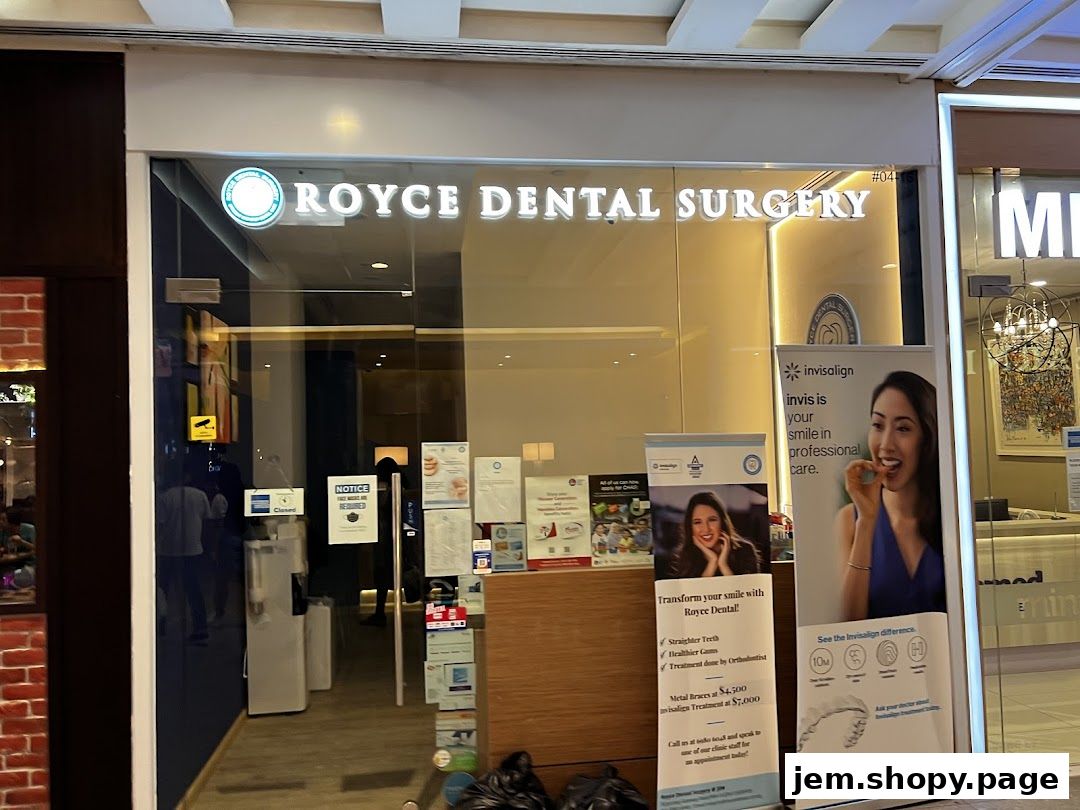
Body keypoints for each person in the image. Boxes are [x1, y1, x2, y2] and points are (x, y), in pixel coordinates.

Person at [836, 371, 945, 621]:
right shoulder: (848, 520)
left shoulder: (951, 517)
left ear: (927, 439)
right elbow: (848, 625)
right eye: (878, 425)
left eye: (903, 428)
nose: (886, 444)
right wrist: (866, 521)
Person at [671, 491, 762, 578]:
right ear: (690, 526)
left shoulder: (745, 550)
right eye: (697, 522)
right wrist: (712, 562)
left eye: (712, 520)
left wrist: (723, 566)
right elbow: (694, 594)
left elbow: (748, 592)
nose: (706, 529)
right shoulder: (686, 555)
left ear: (722, 522)